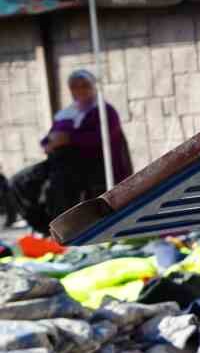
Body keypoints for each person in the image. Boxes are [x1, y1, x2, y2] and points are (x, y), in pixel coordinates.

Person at [9, 69, 134, 234]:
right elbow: (49, 138)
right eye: (75, 86)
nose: (80, 90)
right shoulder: (66, 113)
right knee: (19, 182)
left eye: (84, 85)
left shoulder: (104, 111)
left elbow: (102, 137)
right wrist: (48, 143)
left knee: (60, 184)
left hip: (91, 163)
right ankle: (44, 228)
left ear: (92, 87)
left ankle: (65, 230)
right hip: (58, 161)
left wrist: (70, 139)